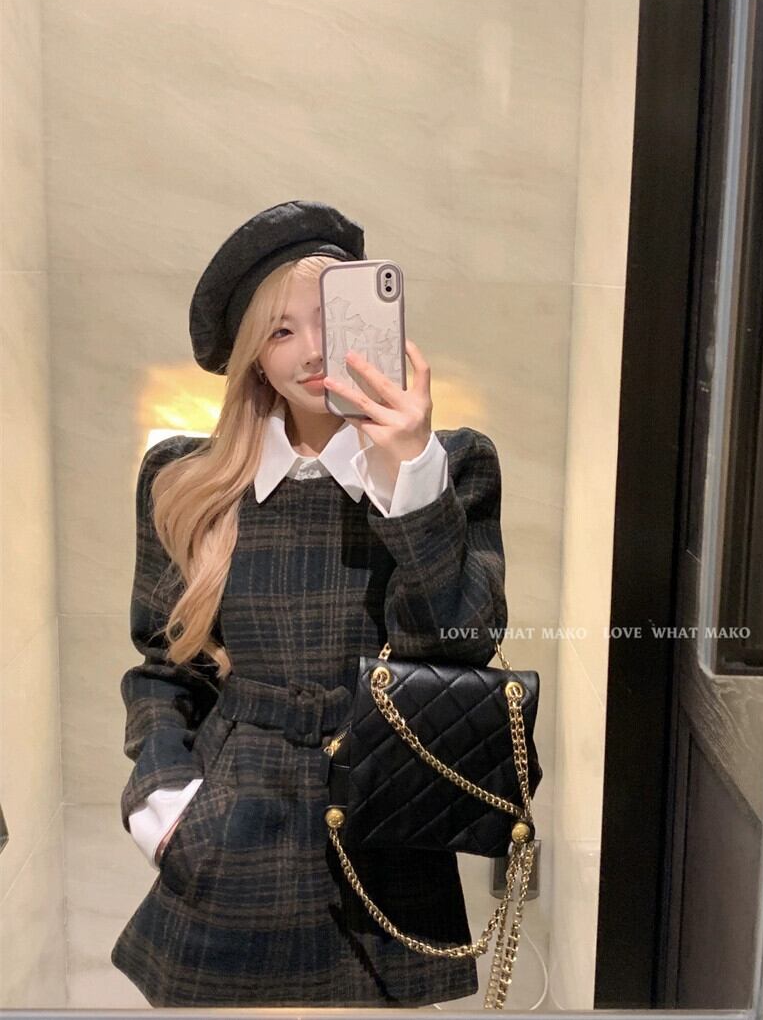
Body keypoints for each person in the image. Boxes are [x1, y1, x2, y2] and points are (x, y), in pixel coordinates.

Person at [110, 200, 508, 1007]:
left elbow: (462, 640)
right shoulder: (188, 481)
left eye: (332, 318)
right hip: (231, 824)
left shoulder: (453, 465)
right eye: (281, 330)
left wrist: (409, 478)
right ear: (254, 359)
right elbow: (162, 669)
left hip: (384, 830)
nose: (314, 350)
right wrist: (165, 807)